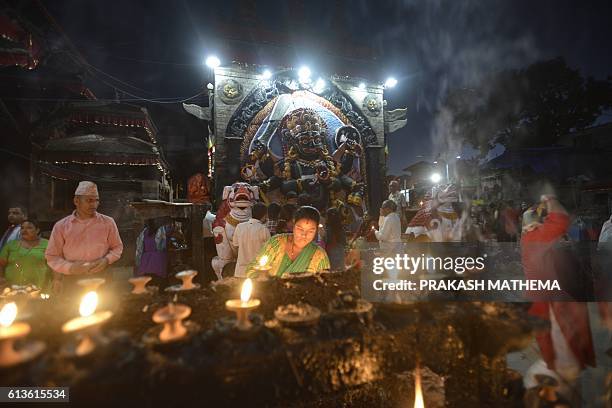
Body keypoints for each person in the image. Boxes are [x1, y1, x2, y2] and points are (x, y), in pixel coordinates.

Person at [521, 194, 595, 404]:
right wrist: (551, 199)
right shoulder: (535, 237)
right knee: (565, 363)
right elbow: (561, 219)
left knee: (561, 356)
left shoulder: (530, 237)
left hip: (546, 299)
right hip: (549, 303)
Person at [45, 181, 123, 294]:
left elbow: (117, 247)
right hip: (72, 281)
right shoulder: (61, 226)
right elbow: (52, 256)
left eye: (97, 200)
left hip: (102, 277)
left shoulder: (108, 222)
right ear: (76, 201)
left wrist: (106, 260)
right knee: (71, 310)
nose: (94, 205)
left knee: (105, 310)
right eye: (89, 201)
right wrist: (70, 268)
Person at [246, 206, 330, 278]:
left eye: (310, 231)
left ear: (317, 230)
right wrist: (261, 279)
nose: (304, 235)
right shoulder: (276, 243)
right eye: (300, 229)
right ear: (293, 225)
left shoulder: (320, 256)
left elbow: (324, 285)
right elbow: (252, 269)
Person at [0, 218, 52, 290]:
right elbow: (1, 264)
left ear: (37, 230)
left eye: (29, 228)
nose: (24, 230)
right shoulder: (11, 245)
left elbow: (54, 265)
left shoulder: (47, 244)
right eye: (22, 228)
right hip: (12, 288)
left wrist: (56, 280)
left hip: (39, 287)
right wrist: (1, 278)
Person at [232, 202, 270, 277]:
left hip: (240, 272)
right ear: (265, 215)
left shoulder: (239, 227)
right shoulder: (264, 229)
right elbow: (269, 252)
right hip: (257, 273)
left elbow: (235, 247)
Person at [134, 218, 170, 288]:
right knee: (160, 283)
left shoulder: (144, 232)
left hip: (146, 262)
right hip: (158, 261)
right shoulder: (161, 230)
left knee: (149, 285)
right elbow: (162, 246)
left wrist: (139, 260)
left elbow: (140, 247)